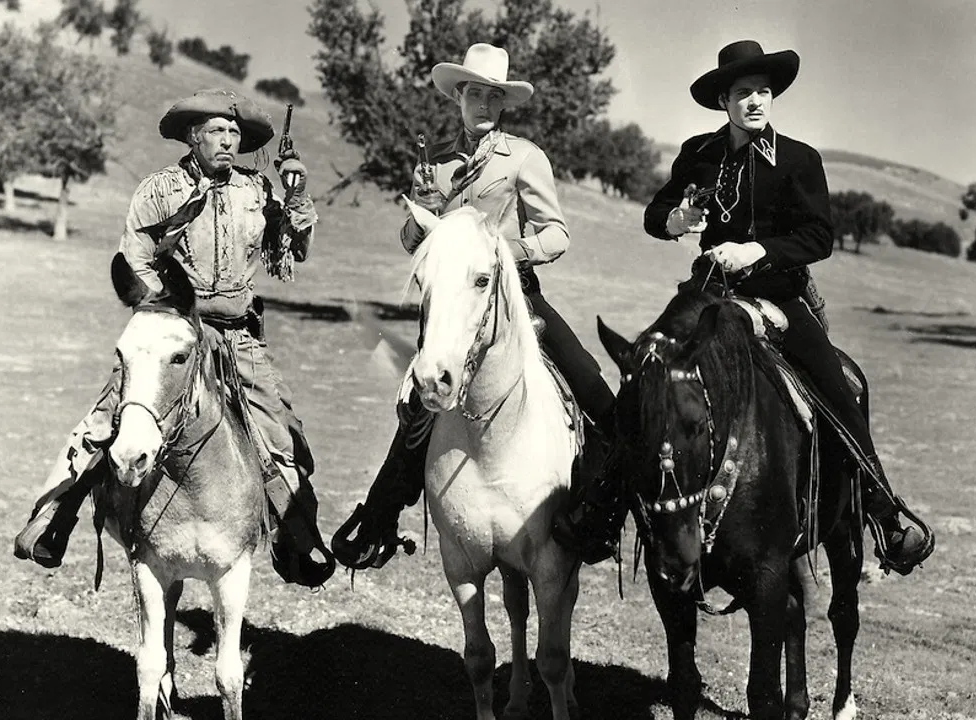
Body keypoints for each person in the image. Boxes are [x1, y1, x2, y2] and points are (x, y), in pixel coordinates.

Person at [553, 41, 935, 576]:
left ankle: (883, 509)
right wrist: (678, 221)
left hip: (780, 296)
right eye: (742, 93)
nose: (755, 101)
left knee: (836, 383)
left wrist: (757, 250)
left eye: (762, 91)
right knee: (647, 374)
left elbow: (819, 236)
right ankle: (603, 510)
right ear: (723, 103)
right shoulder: (699, 152)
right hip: (707, 295)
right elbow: (655, 213)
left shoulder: (801, 159)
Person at [13, 88, 334, 588]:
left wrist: (295, 194)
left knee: (281, 428)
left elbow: (295, 247)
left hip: (237, 336)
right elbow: (133, 257)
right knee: (108, 414)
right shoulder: (160, 189)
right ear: (192, 137)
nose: (228, 141)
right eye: (216, 133)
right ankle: (55, 515)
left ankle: (297, 538)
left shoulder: (256, 190)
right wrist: (165, 309)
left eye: (234, 134)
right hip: (175, 329)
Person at [330, 43, 617, 571]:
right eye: (474, 94)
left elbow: (556, 233)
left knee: (593, 387)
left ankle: (603, 513)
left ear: (503, 103)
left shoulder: (526, 158)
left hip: (515, 296)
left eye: (493, 96)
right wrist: (418, 222)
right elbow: (415, 242)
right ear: (458, 96)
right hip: (454, 309)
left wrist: (509, 252)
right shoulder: (434, 162)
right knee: (418, 407)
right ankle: (378, 519)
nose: (483, 105)